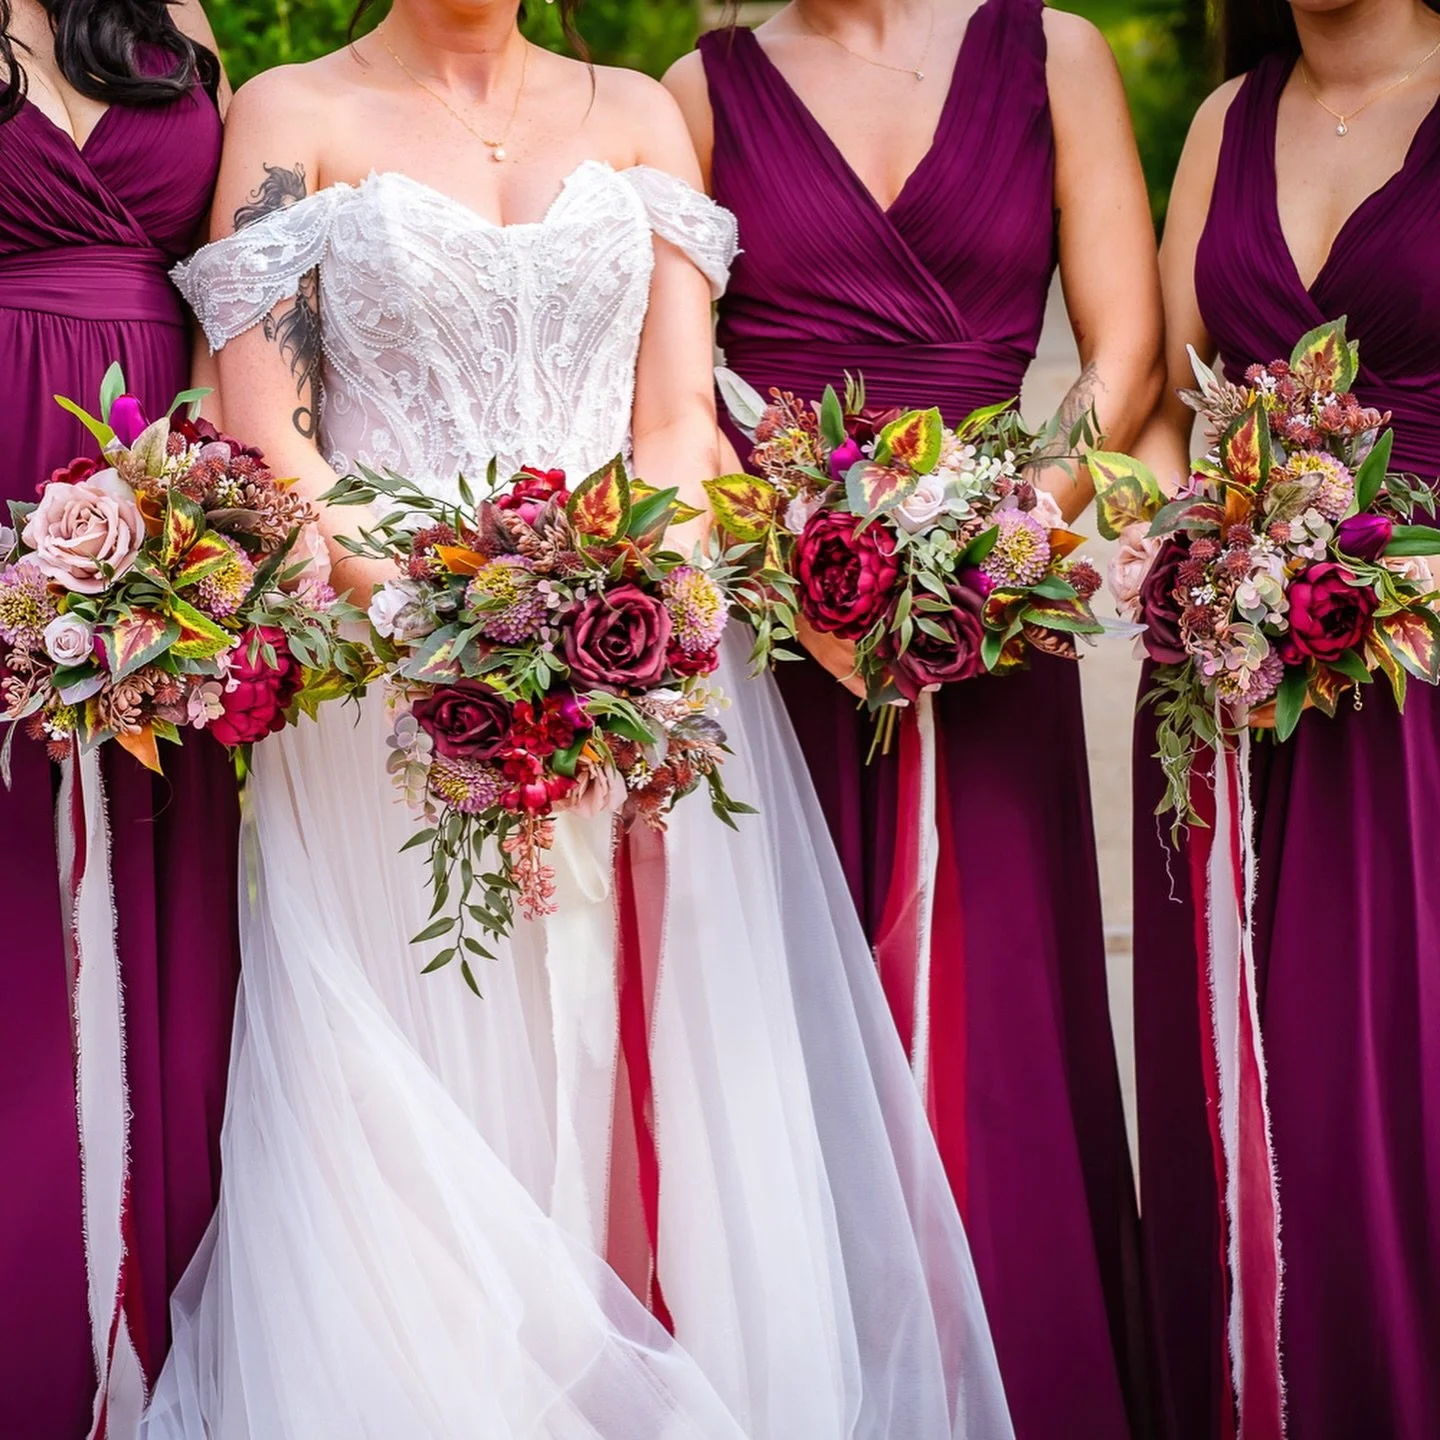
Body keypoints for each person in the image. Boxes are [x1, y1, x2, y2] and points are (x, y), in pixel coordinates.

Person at [141, 1, 1016, 1435]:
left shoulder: (638, 116)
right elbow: (273, 441)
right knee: (422, 1060)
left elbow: (675, 416)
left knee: (622, 1052)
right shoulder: (293, 114)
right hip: (388, 684)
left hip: (624, 663)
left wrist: (630, 602)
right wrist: (469, 617)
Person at [665, 4, 1160, 1436]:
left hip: (997, 613)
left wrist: (988, 546)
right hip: (790, 624)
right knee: (787, 1012)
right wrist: (798, 563)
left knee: (999, 999)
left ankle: (1025, 1360)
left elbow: (1121, 355)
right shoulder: (703, 92)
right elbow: (681, 389)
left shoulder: (1053, 52)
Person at [1131, 1, 1440, 1434]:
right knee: (1239, 1069)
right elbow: (1162, 406)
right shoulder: (1221, 120)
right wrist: (1152, 534)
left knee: (1388, 1074)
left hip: (1419, 676)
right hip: (1225, 674)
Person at [0, 2, 239, 1434]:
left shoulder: (171, 9)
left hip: (168, 527)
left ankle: (160, 1325)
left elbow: (239, 290)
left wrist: (201, 514)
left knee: (161, 920)